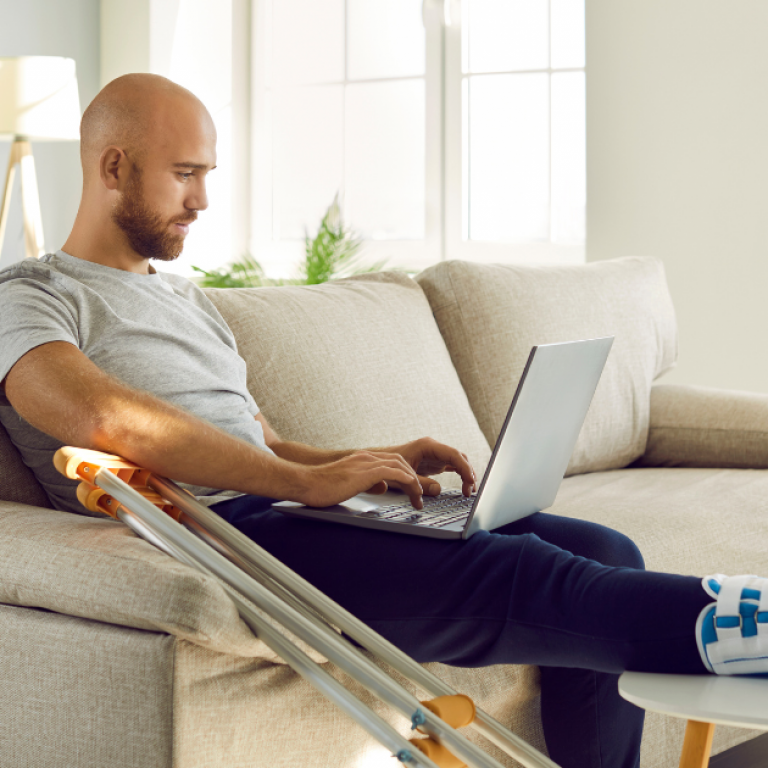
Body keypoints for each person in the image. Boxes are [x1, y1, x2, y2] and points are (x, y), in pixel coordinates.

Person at [0, 74, 764, 768]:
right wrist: (303, 481)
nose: (202, 199)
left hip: (282, 504)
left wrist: (365, 460)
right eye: (185, 174)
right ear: (113, 168)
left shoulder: (186, 300)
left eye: (208, 175)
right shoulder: (33, 294)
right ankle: (739, 621)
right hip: (229, 534)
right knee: (514, 577)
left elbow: (258, 440)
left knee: (606, 545)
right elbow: (101, 418)